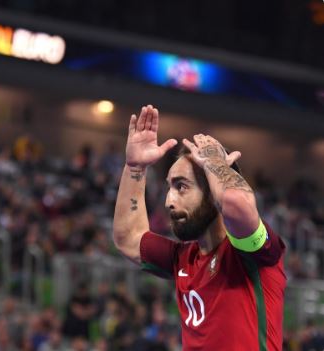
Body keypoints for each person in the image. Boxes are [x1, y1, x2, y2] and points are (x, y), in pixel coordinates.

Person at [113, 105, 286, 350]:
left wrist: (215, 163)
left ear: (213, 194)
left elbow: (236, 203)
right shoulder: (183, 258)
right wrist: (134, 168)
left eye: (181, 186)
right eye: (169, 188)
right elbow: (128, 237)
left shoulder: (251, 253)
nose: (169, 201)